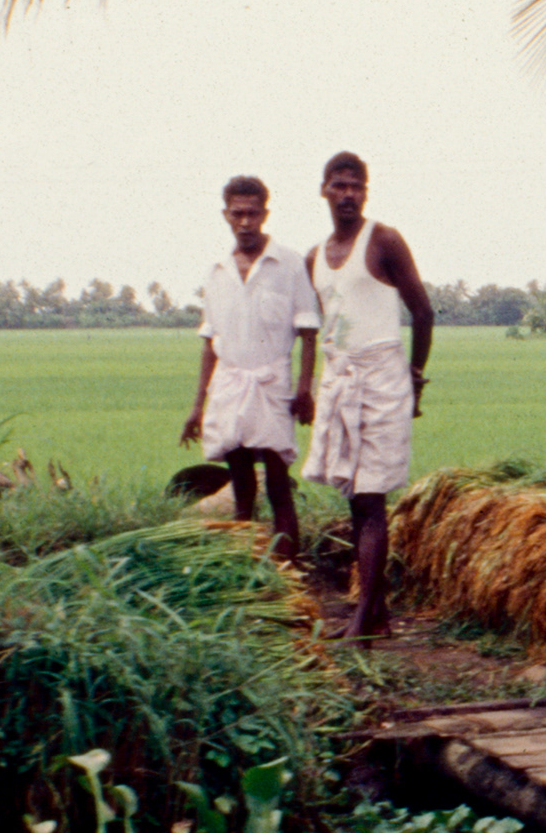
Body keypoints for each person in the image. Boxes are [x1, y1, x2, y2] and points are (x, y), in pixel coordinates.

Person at [304, 150, 435, 642]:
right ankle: (375, 612)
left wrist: (415, 376)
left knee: (370, 496)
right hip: (341, 380)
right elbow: (324, 329)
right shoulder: (313, 258)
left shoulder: (383, 240)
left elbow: (422, 313)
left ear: (366, 191)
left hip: (382, 379)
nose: (348, 194)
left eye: (356, 185)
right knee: (356, 502)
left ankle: (364, 619)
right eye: (338, 185)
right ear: (323, 190)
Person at [181, 175, 320, 563]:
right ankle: (247, 568)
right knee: (241, 483)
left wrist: (306, 388)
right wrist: (198, 406)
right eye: (237, 213)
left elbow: (308, 331)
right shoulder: (217, 271)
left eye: (252, 213)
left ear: (265, 214)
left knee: (278, 484)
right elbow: (210, 343)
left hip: (272, 382)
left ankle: (288, 570)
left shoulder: (289, 263)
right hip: (229, 383)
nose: (245, 222)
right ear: (226, 214)